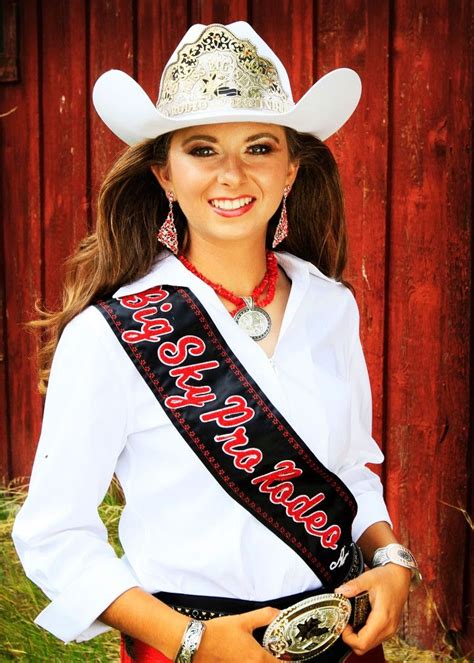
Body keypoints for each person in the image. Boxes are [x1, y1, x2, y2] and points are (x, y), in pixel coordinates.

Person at [11, 21, 421, 663]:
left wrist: (392, 559)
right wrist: (192, 641)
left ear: (290, 169)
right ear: (165, 175)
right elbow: (54, 533)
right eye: (202, 149)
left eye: (258, 147)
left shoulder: (332, 307)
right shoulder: (111, 334)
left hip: (344, 640)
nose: (232, 174)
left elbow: (346, 471)